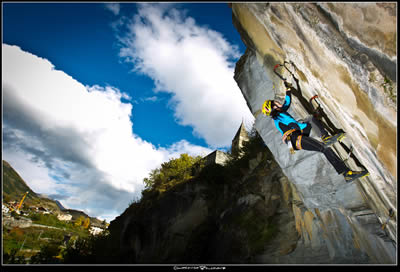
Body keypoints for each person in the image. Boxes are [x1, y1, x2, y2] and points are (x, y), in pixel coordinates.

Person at [262, 81, 368, 183]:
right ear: (273, 108)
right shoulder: (279, 117)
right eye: (275, 103)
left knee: (310, 119)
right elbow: (294, 125)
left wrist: (288, 89)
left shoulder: (280, 113)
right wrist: (305, 125)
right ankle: (346, 174)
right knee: (324, 148)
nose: (277, 102)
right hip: (295, 139)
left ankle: (326, 137)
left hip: (297, 137)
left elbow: (287, 103)